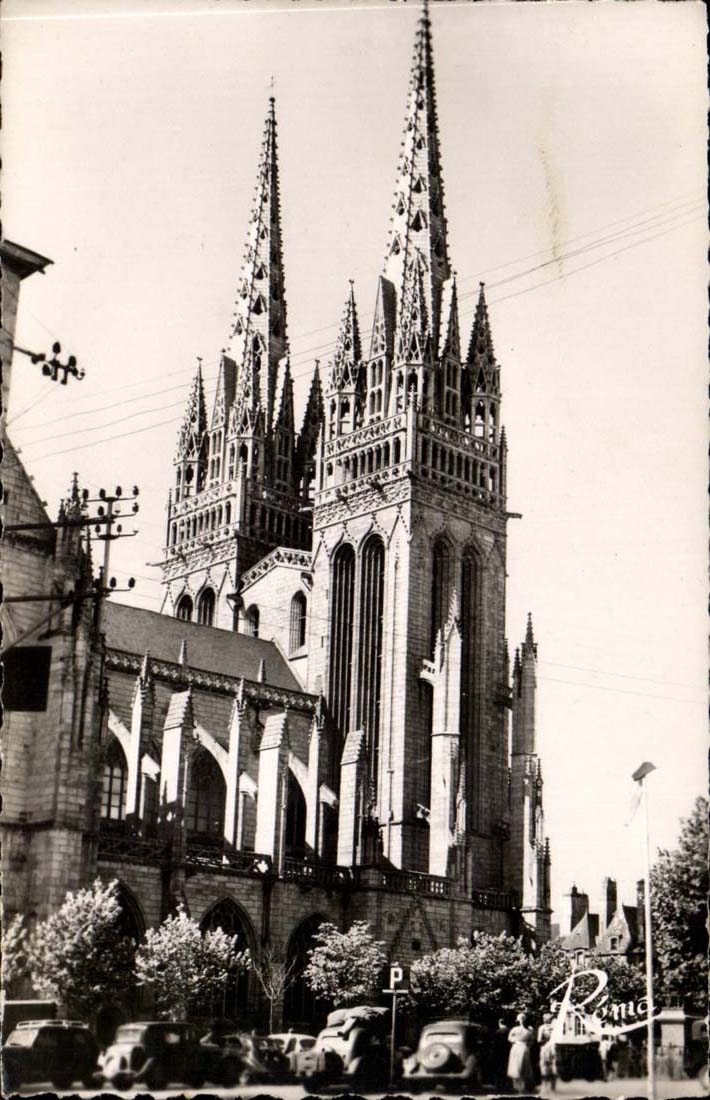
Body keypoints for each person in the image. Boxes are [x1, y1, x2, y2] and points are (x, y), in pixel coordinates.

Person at [508, 1012, 535, 1094]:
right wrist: (527, 1045)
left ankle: (518, 1087)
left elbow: (509, 1038)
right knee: (524, 1067)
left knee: (516, 1067)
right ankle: (522, 1088)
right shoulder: (528, 1031)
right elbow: (532, 1041)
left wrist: (516, 1041)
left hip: (516, 1047)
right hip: (524, 1048)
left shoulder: (515, 1029)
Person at [537, 1013, 557, 1093]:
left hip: (545, 1047)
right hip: (553, 1047)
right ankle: (552, 1087)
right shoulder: (555, 1027)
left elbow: (539, 1040)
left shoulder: (542, 1028)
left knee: (545, 1066)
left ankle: (546, 1087)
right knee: (553, 1066)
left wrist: (545, 1040)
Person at [493, 1018, 510, 1091]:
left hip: (499, 1052)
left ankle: (499, 1084)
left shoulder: (498, 1032)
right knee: (506, 1067)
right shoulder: (509, 1031)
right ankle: (507, 1084)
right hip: (507, 1051)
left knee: (499, 1068)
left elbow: (495, 1043)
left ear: (499, 1023)